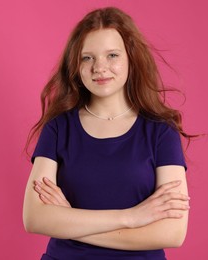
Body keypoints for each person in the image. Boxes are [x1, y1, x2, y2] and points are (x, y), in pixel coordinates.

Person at [23, 7, 195, 260]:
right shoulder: (59, 127)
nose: (99, 67)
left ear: (131, 59)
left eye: (112, 55)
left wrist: (69, 222)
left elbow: (172, 232)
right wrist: (131, 217)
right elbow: (34, 217)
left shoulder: (160, 131)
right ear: (76, 65)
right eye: (87, 58)